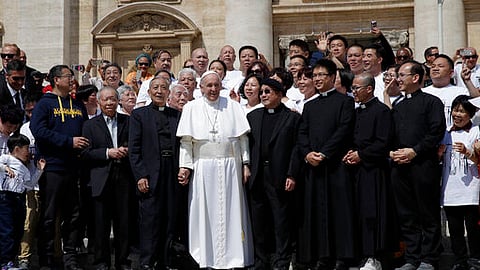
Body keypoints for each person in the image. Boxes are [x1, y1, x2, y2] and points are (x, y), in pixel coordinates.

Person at [176, 71, 253, 269]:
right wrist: (185, 167)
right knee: (205, 212)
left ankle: (233, 258)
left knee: (232, 211)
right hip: (203, 168)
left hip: (231, 166)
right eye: (208, 85)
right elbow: (186, 142)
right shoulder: (191, 108)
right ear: (200, 88)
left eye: (216, 85)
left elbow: (242, 139)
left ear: (221, 86)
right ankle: (206, 257)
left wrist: (245, 163)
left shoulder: (233, 106)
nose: (212, 89)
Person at [296, 59, 356, 270]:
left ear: (332, 77)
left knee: (339, 211)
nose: (318, 79)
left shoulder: (345, 102)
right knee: (317, 211)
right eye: (316, 75)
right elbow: (302, 133)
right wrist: (307, 154)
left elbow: (344, 130)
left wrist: (324, 153)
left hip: (336, 165)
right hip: (313, 166)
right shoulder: (310, 105)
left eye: (322, 75)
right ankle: (322, 255)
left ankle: (342, 256)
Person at [30, 65, 89, 270]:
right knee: (49, 215)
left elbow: (86, 130)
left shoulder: (78, 105)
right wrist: (68, 142)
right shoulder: (44, 105)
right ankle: (46, 258)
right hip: (52, 167)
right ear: (56, 80)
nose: (72, 80)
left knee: (73, 215)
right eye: (68, 76)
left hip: (73, 168)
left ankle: (70, 257)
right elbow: (38, 130)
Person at [390, 60, 445, 270]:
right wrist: (393, 152)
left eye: (402, 75)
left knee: (427, 212)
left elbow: (435, 132)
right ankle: (412, 257)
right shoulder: (398, 105)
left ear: (415, 78)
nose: (398, 80)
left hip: (423, 165)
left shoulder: (432, 102)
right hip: (399, 166)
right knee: (406, 213)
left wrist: (414, 151)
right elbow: (391, 134)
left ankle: (429, 257)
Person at [129, 77, 182, 270]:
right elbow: (134, 149)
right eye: (155, 88)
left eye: (164, 88)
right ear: (149, 92)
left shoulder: (176, 115)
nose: (159, 91)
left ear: (169, 93)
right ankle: (147, 261)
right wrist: (140, 175)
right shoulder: (139, 115)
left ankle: (166, 260)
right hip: (150, 173)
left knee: (170, 216)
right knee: (150, 218)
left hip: (172, 170)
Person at [247, 78, 300, 270]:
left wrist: (291, 174)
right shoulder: (253, 117)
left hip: (279, 174)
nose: (263, 95)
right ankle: (261, 260)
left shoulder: (292, 118)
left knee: (281, 220)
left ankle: (282, 259)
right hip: (257, 175)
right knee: (259, 221)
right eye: (261, 92)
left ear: (279, 94)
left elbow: (296, 148)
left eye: (268, 92)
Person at [344, 72, 395, 270]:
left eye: (356, 88)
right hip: (355, 170)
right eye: (352, 88)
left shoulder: (381, 111)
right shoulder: (356, 111)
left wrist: (361, 155)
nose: (353, 91)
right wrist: (350, 152)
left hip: (373, 170)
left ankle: (373, 256)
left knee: (372, 213)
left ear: (369, 89)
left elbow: (383, 142)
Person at [81, 86, 134, 270]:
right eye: (106, 100)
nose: (109, 103)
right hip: (100, 178)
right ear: (99, 102)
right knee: (100, 225)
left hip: (124, 178)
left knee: (123, 223)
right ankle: (101, 262)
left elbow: (136, 145)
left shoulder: (128, 121)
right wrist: (107, 153)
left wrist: (126, 150)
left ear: (118, 100)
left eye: (113, 99)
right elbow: (85, 153)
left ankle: (123, 261)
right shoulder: (89, 125)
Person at [439, 95, 480, 270]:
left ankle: (476, 259)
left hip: (471, 189)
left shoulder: (476, 131)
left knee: (473, 229)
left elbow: (478, 159)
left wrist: (468, 152)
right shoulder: (445, 133)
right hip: (450, 191)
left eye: (462, 111)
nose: (457, 114)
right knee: (455, 230)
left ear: (470, 114)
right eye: (455, 110)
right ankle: (459, 260)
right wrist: (439, 154)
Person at [0, 134, 45, 270]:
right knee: (6, 230)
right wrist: (5, 168)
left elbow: (30, 184)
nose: (29, 153)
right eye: (26, 149)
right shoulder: (6, 158)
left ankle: (11, 260)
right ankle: (4, 261)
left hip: (19, 198)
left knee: (18, 230)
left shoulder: (25, 168)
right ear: (17, 149)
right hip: (5, 197)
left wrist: (39, 170)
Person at [18, 92, 43, 270]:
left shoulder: (50, 125)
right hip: (31, 182)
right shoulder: (24, 129)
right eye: (28, 112)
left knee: (52, 222)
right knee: (28, 221)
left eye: (35, 110)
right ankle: (24, 257)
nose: (32, 115)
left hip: (50, 181)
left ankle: (50, 256)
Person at [422, 54, 469, 126]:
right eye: (433, 66)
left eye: (440, 66)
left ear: (451, 73)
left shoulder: (461, 92)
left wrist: (468, 81)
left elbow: (477, 105)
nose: (435, 69)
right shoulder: (422, 92)